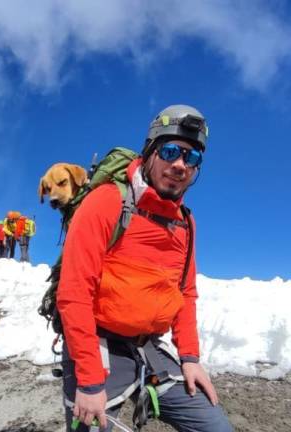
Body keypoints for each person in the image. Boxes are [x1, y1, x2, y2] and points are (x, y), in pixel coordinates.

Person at [57, 105, 232, 431]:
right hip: (100, 344)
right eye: (170, 151)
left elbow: (185, 294)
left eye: (191, 158)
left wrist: (190, 359)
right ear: (150, 151)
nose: (180, 165)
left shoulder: (186, 223)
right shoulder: (107, 201)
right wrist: (91, 381)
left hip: (149, 347)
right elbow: (75, 292)